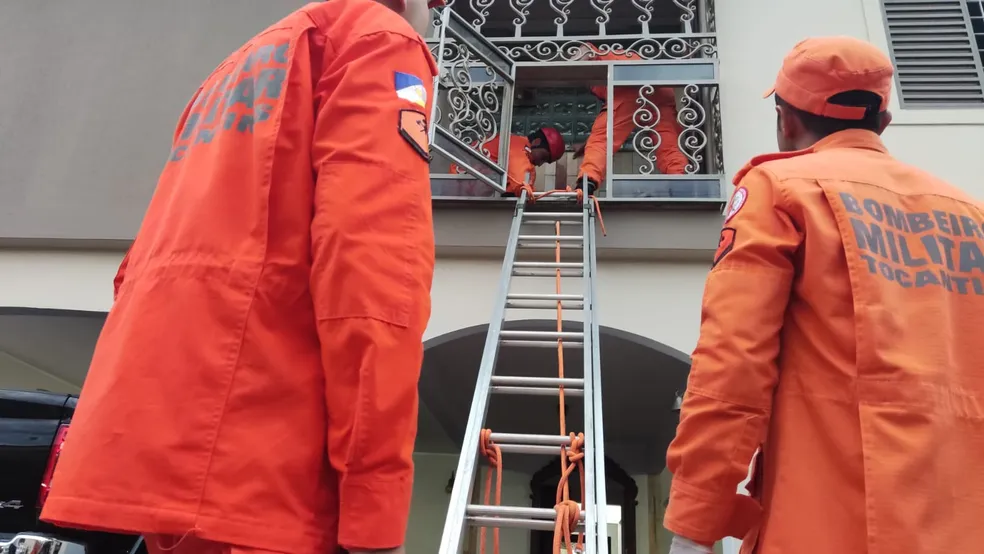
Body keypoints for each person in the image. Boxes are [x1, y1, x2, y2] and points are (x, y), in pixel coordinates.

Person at [39, 1, 445, 554]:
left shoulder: (234, 70)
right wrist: (375, 509)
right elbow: (371, 275)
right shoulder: (377, 40)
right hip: (269, 469)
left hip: (178, 463)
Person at [664, 36, 984, 554]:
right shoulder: (970, 215)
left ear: (785, 120)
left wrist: (695, 525)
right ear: (882, 123)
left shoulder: (780, 189)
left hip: (826, 528)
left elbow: (731, 366)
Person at [570, 44, 689, 195]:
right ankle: (680, 181)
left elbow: (604, 136)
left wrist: (565, 68)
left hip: (628, 86)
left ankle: (587, 183)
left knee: (601, 140)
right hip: (660, 89)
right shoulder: (619, 54)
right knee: (667, 141)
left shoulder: (596, 53)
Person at [449, 127, 566, 196]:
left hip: (465, 184)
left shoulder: (517, 144)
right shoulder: (518, 147)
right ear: (536, 142)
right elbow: (520, 185)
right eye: (543, 157)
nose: (540, 163)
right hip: (461, 182)